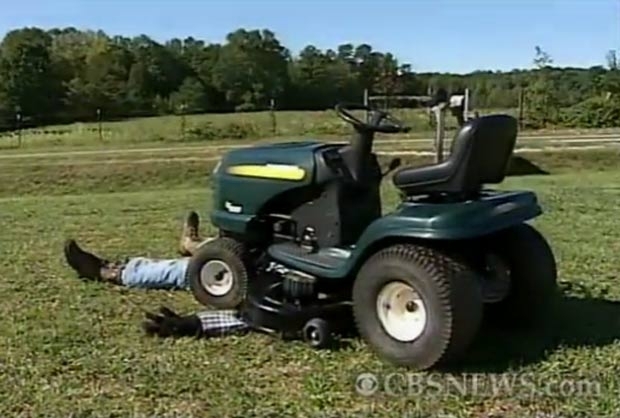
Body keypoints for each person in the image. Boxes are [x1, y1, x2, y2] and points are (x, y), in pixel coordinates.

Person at [63, 211, 250, 339]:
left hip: (250, 279)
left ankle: (111, 273)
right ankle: (194, 245)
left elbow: (254, 319)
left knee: (185, 270)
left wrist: (193, 324)